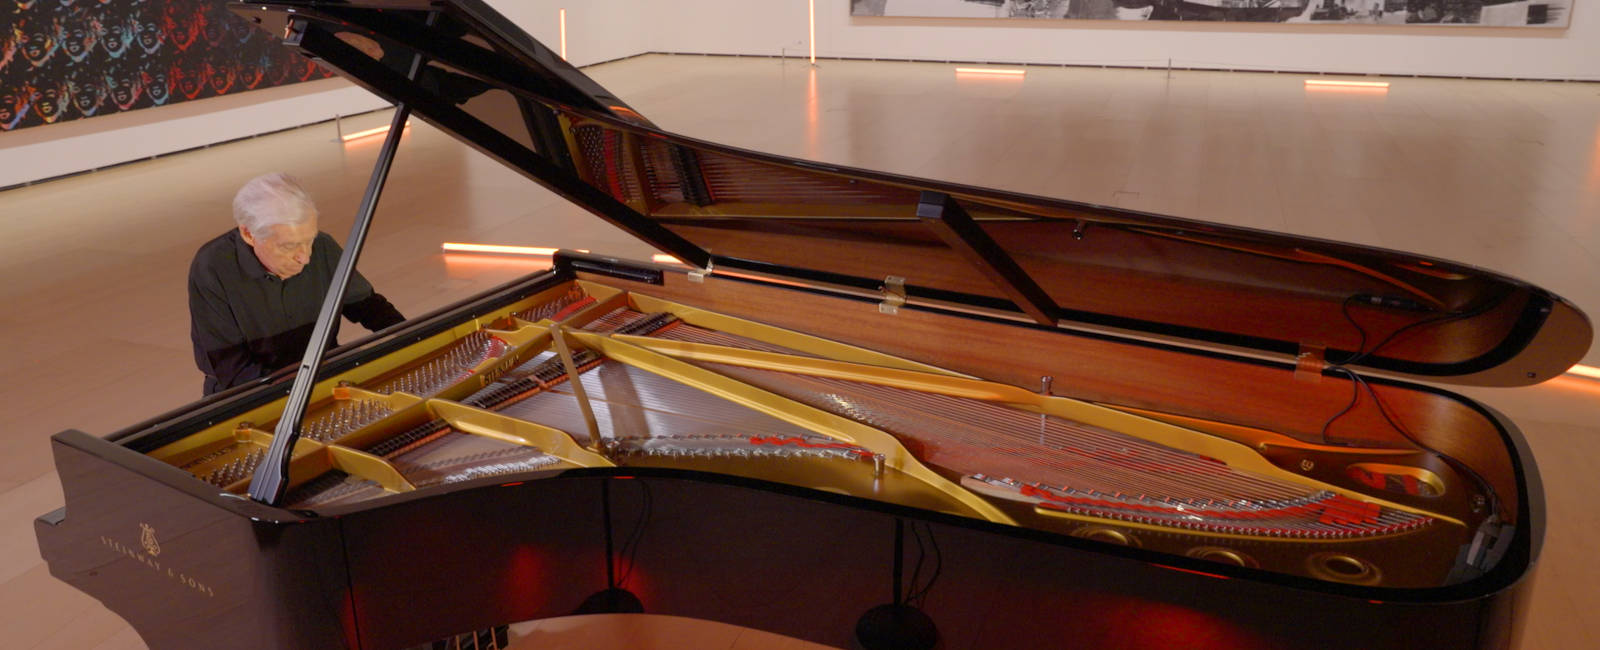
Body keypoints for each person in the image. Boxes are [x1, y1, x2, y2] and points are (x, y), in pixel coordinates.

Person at [189, 172, 405, 395]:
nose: (306, 257)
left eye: (309, 240)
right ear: (249, 234)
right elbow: (231, 368)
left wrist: (412, 342)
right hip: (250, 395)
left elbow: (370, 308)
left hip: (324, 378)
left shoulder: (323, 247)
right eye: (288, 246)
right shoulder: (212, 267)